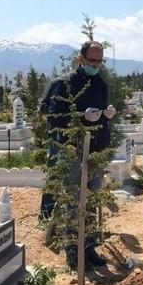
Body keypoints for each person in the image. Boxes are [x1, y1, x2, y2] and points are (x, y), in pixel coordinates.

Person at [39, 41, 116, 270]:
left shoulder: (100, 83)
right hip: (72, 150)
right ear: (81, 59)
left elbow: (100, 116)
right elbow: (54, 116)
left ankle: (89, 248)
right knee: (74, 203)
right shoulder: (64, 83)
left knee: (91, 201)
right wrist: (82, 116)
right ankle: (73, 251)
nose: (96, 65)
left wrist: (106, 115)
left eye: (100, 61)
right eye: (92, 60)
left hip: (96, 150)